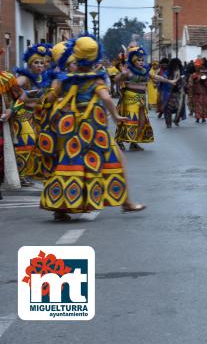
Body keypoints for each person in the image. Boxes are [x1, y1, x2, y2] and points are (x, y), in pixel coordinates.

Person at [39, 35, 145, 221]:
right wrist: (115, 115)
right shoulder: (96, 80)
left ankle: (61, 208)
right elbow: (105, 98)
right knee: (116, 160)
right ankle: (126, 202)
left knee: (71, 163)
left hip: (71, 129)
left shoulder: (67, 80)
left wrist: (46, 106)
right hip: (94, 130)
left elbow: (51, 98)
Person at [11, 44, 50, 186]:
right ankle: (20, 175)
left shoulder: (42, 79)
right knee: (27, 142)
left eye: (42, 62)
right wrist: (25, 96)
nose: (40, 66)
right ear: (29, 64)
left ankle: (29, 172)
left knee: (37, 144)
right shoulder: (24, 78)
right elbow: (12, 85)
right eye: (36, 62)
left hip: (35, 116)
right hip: (21, 114)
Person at [114, 46, 155, 151]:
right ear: (134, 62)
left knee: (142, 121)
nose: (141, 62)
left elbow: (156, 78)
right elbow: (116, 79)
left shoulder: (145, 71)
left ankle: (134, 143)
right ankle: (119, 140)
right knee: (130, 120)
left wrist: (169, 81)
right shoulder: (128, 71)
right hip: (130, 98)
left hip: (141, 98)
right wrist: (122, 74)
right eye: (138, 60)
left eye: (142, 60)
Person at [155, 58, 185, 128]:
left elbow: (184, 82)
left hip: (178, 93)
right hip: (168, 94)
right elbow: (162, 81)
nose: (177, 66)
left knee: (179, 108)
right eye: (175, 65)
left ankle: (176, 120)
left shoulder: (181, 72)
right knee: (167, 109)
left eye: (178, 65)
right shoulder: (167, 72)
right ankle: (168, 123)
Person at [188, 59, 207, 123]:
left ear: (200, 66)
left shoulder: (203, 75)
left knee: (204, 105)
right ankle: (198, 118)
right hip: (196, 93)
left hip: (203, 93)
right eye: (196, 66)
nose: (197, 67)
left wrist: (204, 81)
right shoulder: (193, 75)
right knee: (197, 106)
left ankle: (203, 118)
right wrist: (193, 82)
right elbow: (190, 84)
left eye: (198, 66)